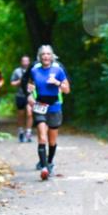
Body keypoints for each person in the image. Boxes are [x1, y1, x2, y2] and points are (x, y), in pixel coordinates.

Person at [27, 45, 70, 181]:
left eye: (48, 54)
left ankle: (50, 162)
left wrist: (57, 82)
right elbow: (30, 88)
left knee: (52, 141)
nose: (46, 56)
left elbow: (67, 89)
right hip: (40, 106)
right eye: (43, 54)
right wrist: (30, 96)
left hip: (54, 107)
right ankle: (44, 167)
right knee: (42, 137)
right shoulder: (34, 71)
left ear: (52, 56)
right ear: (40, 57)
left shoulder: (58, 70)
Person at [10, 54, 33, 143]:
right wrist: (20, 81)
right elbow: (12, 83)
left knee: (29, 113)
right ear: (21, 62)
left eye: (27, 61)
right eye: (23, 61)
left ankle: (28, 132)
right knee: (21, 114)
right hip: (20, 95)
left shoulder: (32, 71)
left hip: (30, 96)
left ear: (29, 62)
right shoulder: (17, 71)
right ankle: (20, 131)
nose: (25, 63)